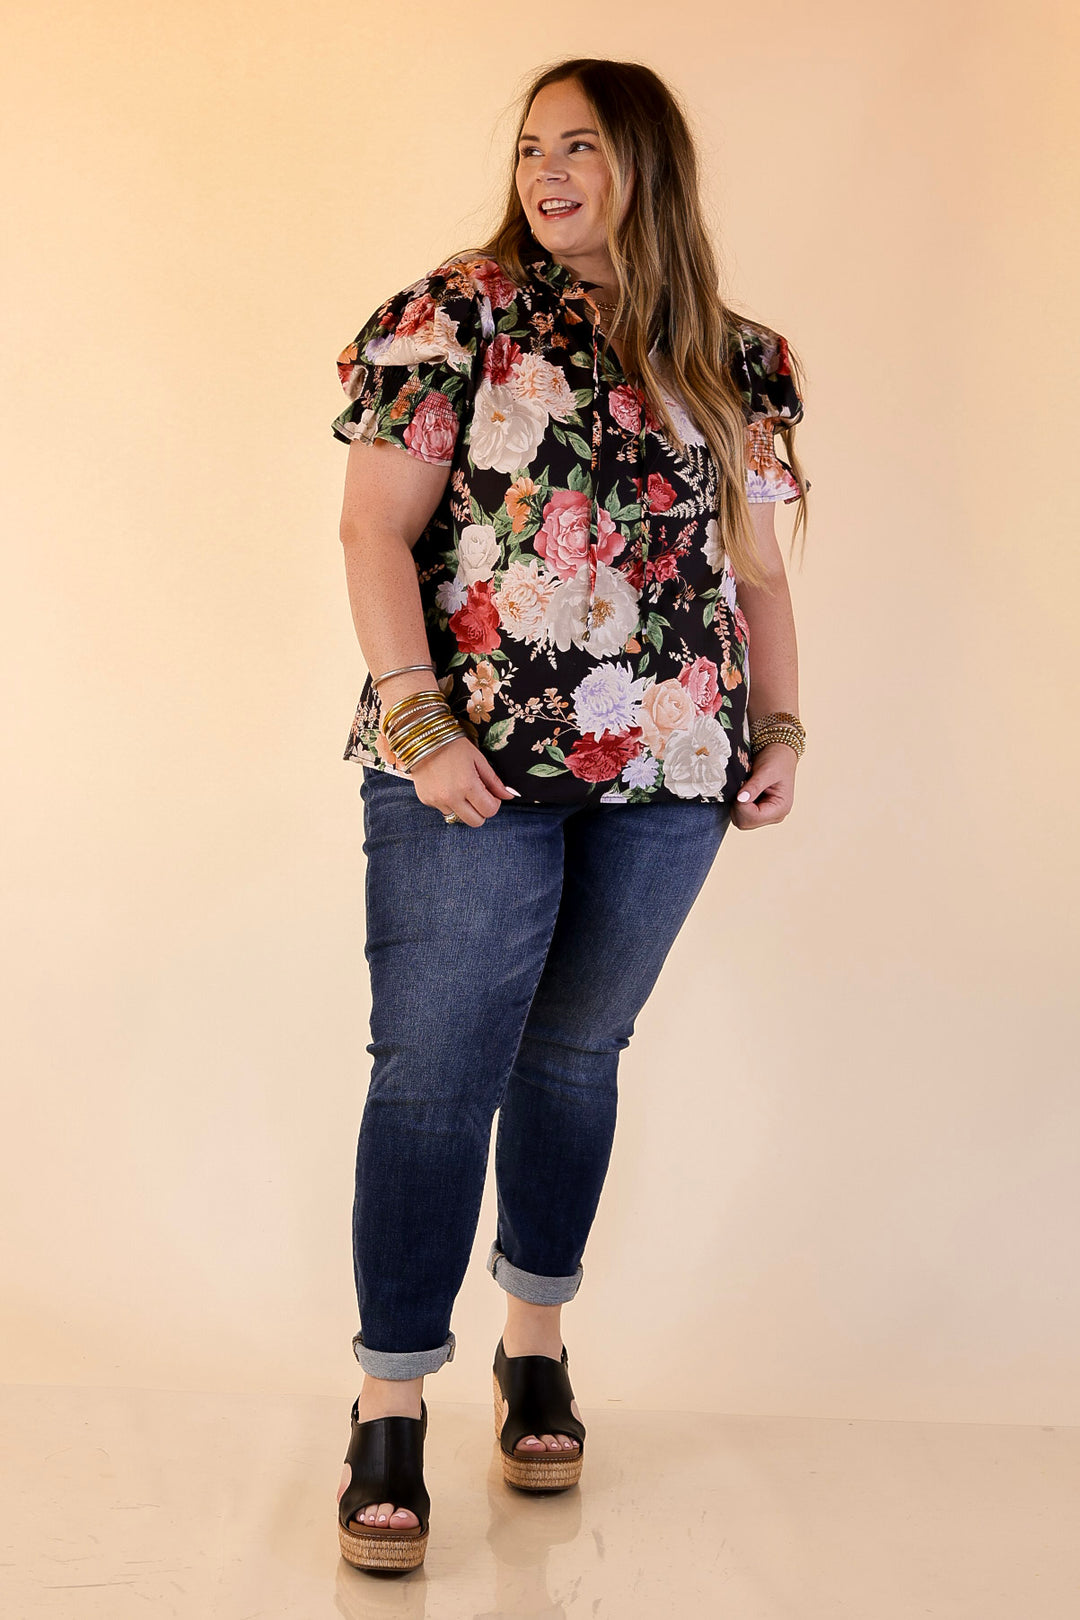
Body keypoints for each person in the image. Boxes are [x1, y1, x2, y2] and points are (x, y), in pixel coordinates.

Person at [332, 56, 810, 1574]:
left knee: (576, 1054)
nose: (548, 170)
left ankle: (533, 1347)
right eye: (534, 146)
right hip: (467, 766)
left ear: (647, 165)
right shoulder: (455, 315)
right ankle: (389, 1406)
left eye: (583, 146)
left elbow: (757, 569)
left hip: (670, 776)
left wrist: (781, 723)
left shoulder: (735, 356)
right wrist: (416, 720)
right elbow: (373, 528)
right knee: (433, 1076)